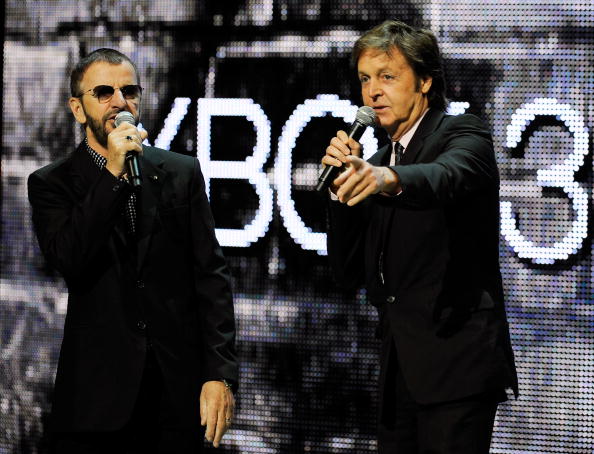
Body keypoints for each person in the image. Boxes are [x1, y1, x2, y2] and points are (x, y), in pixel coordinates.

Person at [28, 48, 238, 453]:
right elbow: (70, 258)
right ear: (77, 107)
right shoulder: (52, 184)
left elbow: (211, 278)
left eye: (129, 91)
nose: (120, 102)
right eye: (104, 92)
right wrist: (113, 175)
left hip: (176, 398)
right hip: (96, 403)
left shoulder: (180, 172)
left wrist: (221, 375)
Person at [322, 20, 517, 454]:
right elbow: (347, 271)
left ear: (425, 81)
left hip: (456, 367)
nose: (372, 92)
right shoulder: (370, 163)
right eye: (365, 79)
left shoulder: (463, 132)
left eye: (387, 77)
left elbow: (445, 177)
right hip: (398, 377)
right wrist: (339, 195)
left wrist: (387, 178)